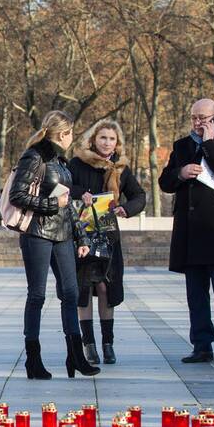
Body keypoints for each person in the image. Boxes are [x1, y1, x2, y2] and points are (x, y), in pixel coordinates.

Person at [10, 110, 98, 380]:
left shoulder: (61, 161)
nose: (73, 137)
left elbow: (68, 204)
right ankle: (33, 359)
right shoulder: (34, 157)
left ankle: (75, 355)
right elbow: (17, 195)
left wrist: (81, 237)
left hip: (62, 235)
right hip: (37, 233)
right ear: (63, 133)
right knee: (37, 295)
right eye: (71, 133)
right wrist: (51, 205)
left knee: (71, 294)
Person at [158, 98, 214, 364]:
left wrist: (209, 144)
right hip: (189, 230)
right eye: (195, 118)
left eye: (204, 118)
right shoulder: (181, 146)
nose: (198, 123)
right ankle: (201, 344)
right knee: (196, 294)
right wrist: (181, 172)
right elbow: (165, 181)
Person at [68, 119, 146, 365]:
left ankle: (107, 343)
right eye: (103, 137)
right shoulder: (77, 163)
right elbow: (63, 186)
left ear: (117, 143)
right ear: (93, 139)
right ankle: (88, 344)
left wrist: (126, 208)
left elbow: (139, 196)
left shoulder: (121, 168)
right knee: (84, 288)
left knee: (106, 288)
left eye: (112, 139)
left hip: (108, 235)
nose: (107, 142)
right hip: (81, 233)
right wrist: (82, 193)